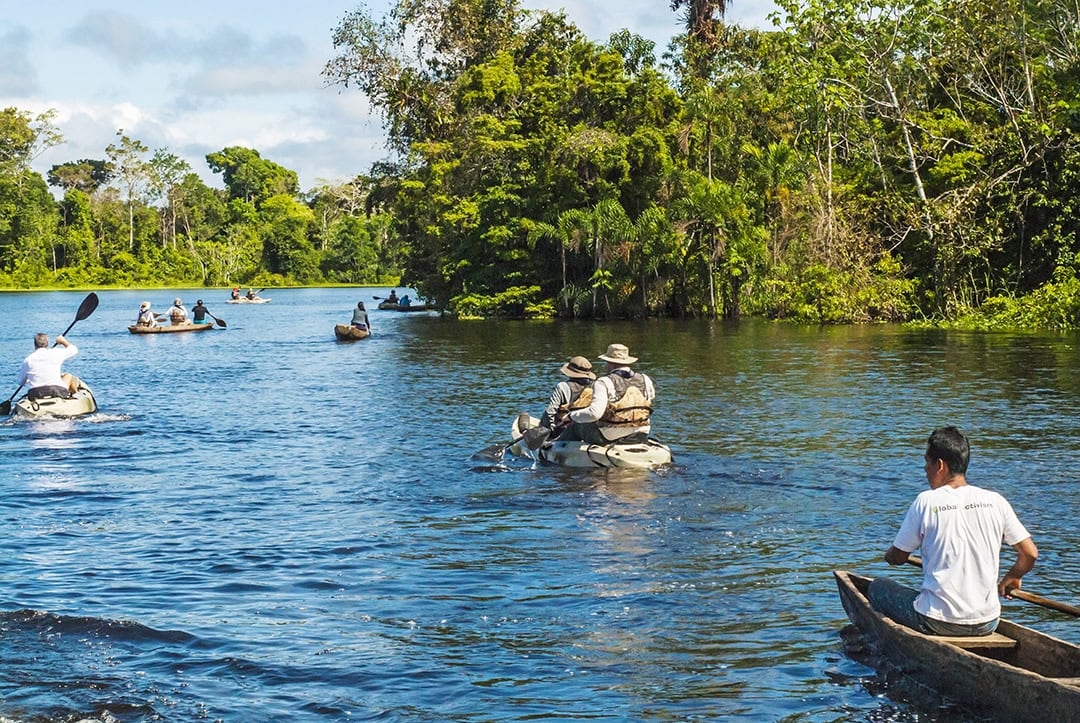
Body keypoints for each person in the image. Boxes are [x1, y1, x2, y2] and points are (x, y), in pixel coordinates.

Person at [867, 426, 1038, 637]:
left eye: (926, 463)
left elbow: (899, 557)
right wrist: (1013, 576)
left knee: (877, 587)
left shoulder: (926, 501)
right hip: (987, 622)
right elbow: (1030, 554)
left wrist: (890, 556)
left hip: (937, 621)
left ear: (939, 465)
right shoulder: (995, 501)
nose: (925, 470)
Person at [562, 343, 655, 445]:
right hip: (641, 432)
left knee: (576, 424)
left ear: (609, 362)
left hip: (610, 436)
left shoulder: (604, 382)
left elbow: (594, 413)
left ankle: (553, 449)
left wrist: (571, 416)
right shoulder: (646, 379)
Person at [538, 356, 596, 434]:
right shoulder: (595, 386)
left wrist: (551, 428)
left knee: (546, 415)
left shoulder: (562, 386)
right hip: (586, 429)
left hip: (564, 428)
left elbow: (550, 411)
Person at [18, 333, 81, 400]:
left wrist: (30, 380)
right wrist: (63, 341)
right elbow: (74, 350)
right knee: (68, 376)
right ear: (47, 343)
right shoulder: (55, 353)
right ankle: (75, 396)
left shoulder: (28, 360)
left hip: (35, 393)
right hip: (56, 391)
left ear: (35, 344)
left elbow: (20, 382)